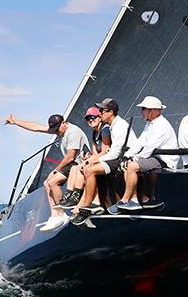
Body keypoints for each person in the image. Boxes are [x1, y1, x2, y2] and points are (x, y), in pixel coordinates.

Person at [4, 112, 89, 232]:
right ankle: (55, 216)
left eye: (57, 129)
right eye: (54, 130)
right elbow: (36, 127)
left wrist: (56, 170)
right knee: (46, 183)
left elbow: (70, 157)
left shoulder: (72, 132)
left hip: (79, 163)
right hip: (71, 163)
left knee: (53, 181)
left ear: (64, 123)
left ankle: (63, 213)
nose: (56, 132)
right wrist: (15, 122)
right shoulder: (59, 129)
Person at [71, 98, 138, 227]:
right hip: (119, 157)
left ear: (111, 112)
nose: (100, 113)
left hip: (125, 158)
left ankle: (89, 204)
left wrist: (92, 162)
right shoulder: (113, 125)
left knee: (90, 169)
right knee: (89, 168)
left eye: (102, 110)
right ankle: (96, 202)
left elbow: (114, 153)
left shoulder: (118, 126)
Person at [108, 96, 177, 213]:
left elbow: (149, 149)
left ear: (152, 111)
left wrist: (134, 158)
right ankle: (142, 199)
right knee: (127, 164)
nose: (141, 111)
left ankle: (126, 201)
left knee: (131, 166)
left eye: (143, 108)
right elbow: (140, 142)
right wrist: (127, 155)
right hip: (154, 158)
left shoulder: (162, 126)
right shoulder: (150, 123)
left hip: (165, 160)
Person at [57, 106, 110, 209]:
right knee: (74, 168)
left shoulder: (105, 130)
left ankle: (78, 197)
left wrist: (87, 162)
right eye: (88, 118)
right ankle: (70, 195)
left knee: (84, 167)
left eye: (93, 117)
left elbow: (104, 151)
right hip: (100, 159)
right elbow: (95, 153)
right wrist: (88, 159)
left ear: (100, 117)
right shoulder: (95, 133)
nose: (90, 120)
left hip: (108, 158)